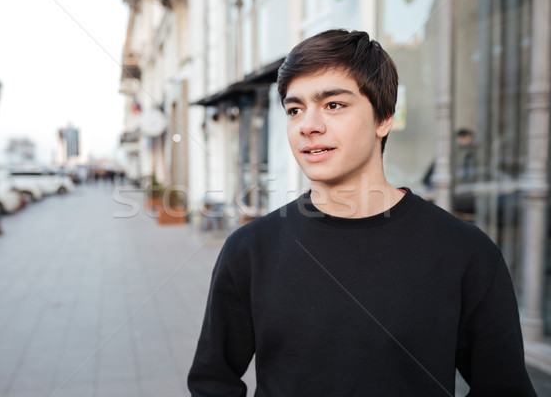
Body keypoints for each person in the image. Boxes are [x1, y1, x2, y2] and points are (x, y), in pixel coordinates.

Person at [188, 29, 536, 396]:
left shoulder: (465, 252)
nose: (308, 126)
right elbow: (213, 381)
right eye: (295, 109)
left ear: (384, 118)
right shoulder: (250, 250)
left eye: (333, 105)